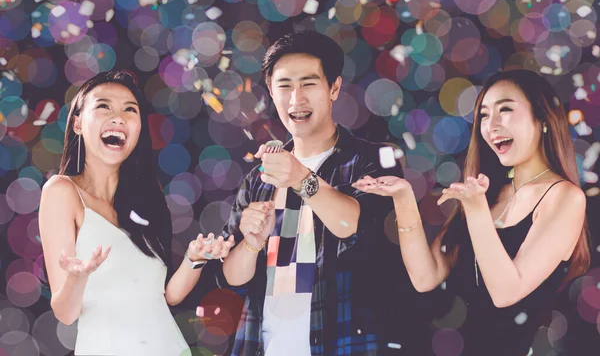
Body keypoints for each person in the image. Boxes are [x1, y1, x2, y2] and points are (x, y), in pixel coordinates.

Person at [215, 30, 426, 356]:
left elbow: (353, 227)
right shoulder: (258, 179)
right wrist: (250, 245)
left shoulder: (372, 160)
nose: (296, 99)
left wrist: (301, 177)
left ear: (334, 88)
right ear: (271, 91)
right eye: (284, 85)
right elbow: (231, 277)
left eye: (309, 84)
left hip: (344, 343)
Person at [353, 70, 590, 355]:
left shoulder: (565, 197)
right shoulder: (488, 193)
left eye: (505, 109)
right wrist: (403, 198)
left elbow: (506, 293)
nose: (492, 125)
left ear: (542, 120)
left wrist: (476, 210)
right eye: (484, 116)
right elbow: (425, 277)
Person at [39, 70, 234, 356]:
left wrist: (195, 259)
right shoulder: (62, 191)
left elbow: (164, 296)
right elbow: (65, 313)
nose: (118, 117)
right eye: (104, 106)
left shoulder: (146, 198)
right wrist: (79, 277)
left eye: (130, 110)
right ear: (78, 123)